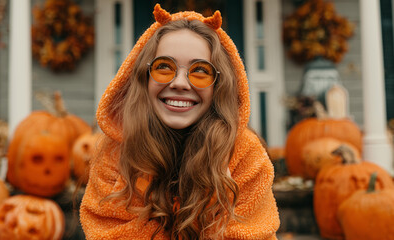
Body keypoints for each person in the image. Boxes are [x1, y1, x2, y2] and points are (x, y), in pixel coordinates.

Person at [80, 4, 280, 240]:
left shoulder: (245, 156)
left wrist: (218, 198)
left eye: (200, 71)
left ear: (219, 86)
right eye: (164, 67)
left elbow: (253, 233)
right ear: (144, 77)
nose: (180, 83)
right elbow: (107, 232)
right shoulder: (115, 154)